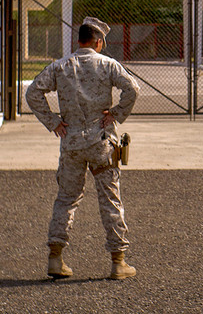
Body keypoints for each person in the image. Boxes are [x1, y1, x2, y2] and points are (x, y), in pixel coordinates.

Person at [25, 17, 139, 280]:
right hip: (101, 144)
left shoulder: (61, 66)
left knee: (66, 199)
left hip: (72, 143)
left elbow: (33, 93)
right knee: (110, 200)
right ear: (98, 42)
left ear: (79, 41)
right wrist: (117, 114)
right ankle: (118, 262)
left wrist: (53, 122)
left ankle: (56, 258)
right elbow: (132, 89)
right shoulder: (109, 65)